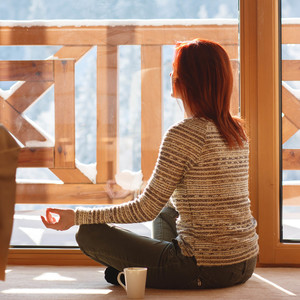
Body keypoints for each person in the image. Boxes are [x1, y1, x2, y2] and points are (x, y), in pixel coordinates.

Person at [41, 38, 259, 289]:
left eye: (176, 69)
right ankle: (149, 271)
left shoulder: (185, 134)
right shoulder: (235, 130)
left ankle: (144, 273)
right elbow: (193, 190)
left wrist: (77, 216)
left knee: (89, 233)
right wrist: (134, 191)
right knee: (167, 209)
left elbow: (145, 210)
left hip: (203, 268)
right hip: (244, 262)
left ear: (189, 80)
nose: (171, 73)